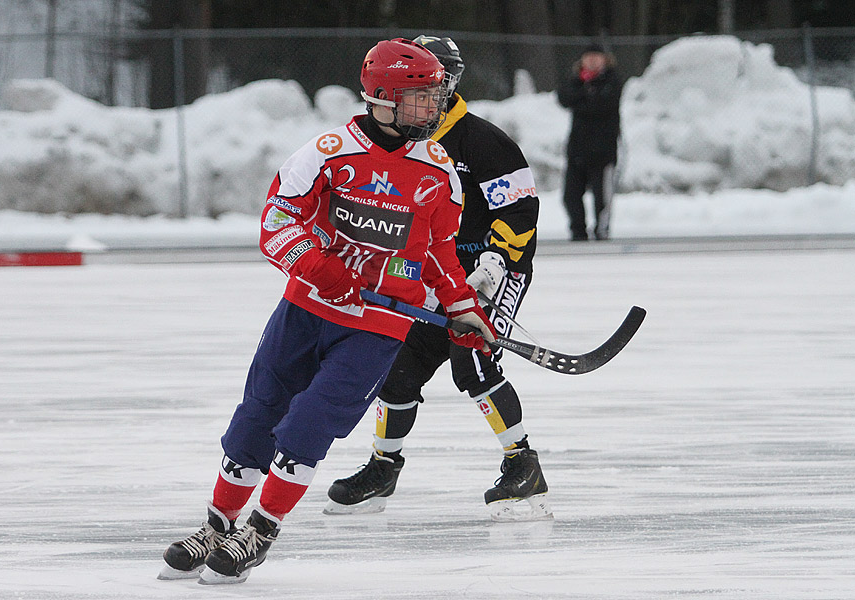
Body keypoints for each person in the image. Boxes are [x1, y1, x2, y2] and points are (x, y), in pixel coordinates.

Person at [159, 38, 495, 585]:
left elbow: (438, 254)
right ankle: (217, 526)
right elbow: (276, 224)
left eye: (435, 96)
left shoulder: (438, 172)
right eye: (419, 97)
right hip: (305, 312)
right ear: (383, 98)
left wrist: (463, 307)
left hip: (378, 327)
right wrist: (323, 269)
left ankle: (260, 532)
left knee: (308, 424)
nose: (432, 108)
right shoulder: (326, 152)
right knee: (257, 417)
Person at [324, 35, 550, 522]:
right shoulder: (404, 142)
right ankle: (383, 467)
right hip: (436, 276)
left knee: (472, 363)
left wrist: (494, 262)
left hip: (495, 271)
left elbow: (522, 209)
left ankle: (523, 463)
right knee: (399, 366)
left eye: (436, 79)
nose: (427, 90)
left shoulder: (484, 141)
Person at [557, 43, 623, 241]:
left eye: (597, 56)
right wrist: (586, 95)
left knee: (602, 197)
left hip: (603, 151)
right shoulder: (576, 80)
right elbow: (564, 97)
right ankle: (578, 231)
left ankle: (602, 231)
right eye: (589, 56)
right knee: (571, 195)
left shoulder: (612, 80)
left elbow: (602, 104)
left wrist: (584, 99)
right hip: (577, 149)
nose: (592, 60)